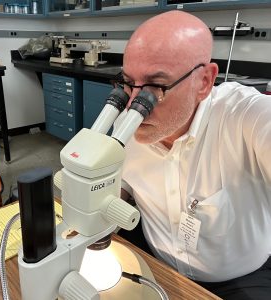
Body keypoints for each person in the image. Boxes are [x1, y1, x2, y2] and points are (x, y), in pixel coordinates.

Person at [116, 10, 271, 300]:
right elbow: (121, 180)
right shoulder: (127, 123)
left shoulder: (244, 116)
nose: (134, 107)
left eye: (156, 87)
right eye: (127, 82)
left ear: (204, 82)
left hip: (240, 278)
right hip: (155, 261)